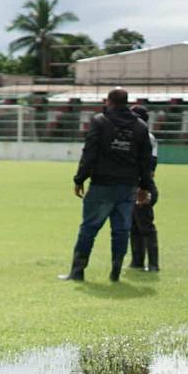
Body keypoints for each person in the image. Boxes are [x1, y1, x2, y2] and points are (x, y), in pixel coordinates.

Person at [58, 88, 154, 282]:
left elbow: (90, 152)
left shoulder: (100, 122)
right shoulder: (141, 127)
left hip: (102, 183)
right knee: (121, 231)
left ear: (108, 101)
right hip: (127, 186)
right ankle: (115, 272)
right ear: (127, 101)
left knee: (89, 228)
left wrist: (79, 179)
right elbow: (145, 161)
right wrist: (145, 187)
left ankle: (77, 271)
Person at [128, 104, 160, 272]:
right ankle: (137, 261)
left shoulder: (146, 137)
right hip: (134, 186)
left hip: (142, 187)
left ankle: (153, 264)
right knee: (134, 225)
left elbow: (150, 167)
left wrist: (143, 189)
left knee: (145, 226)